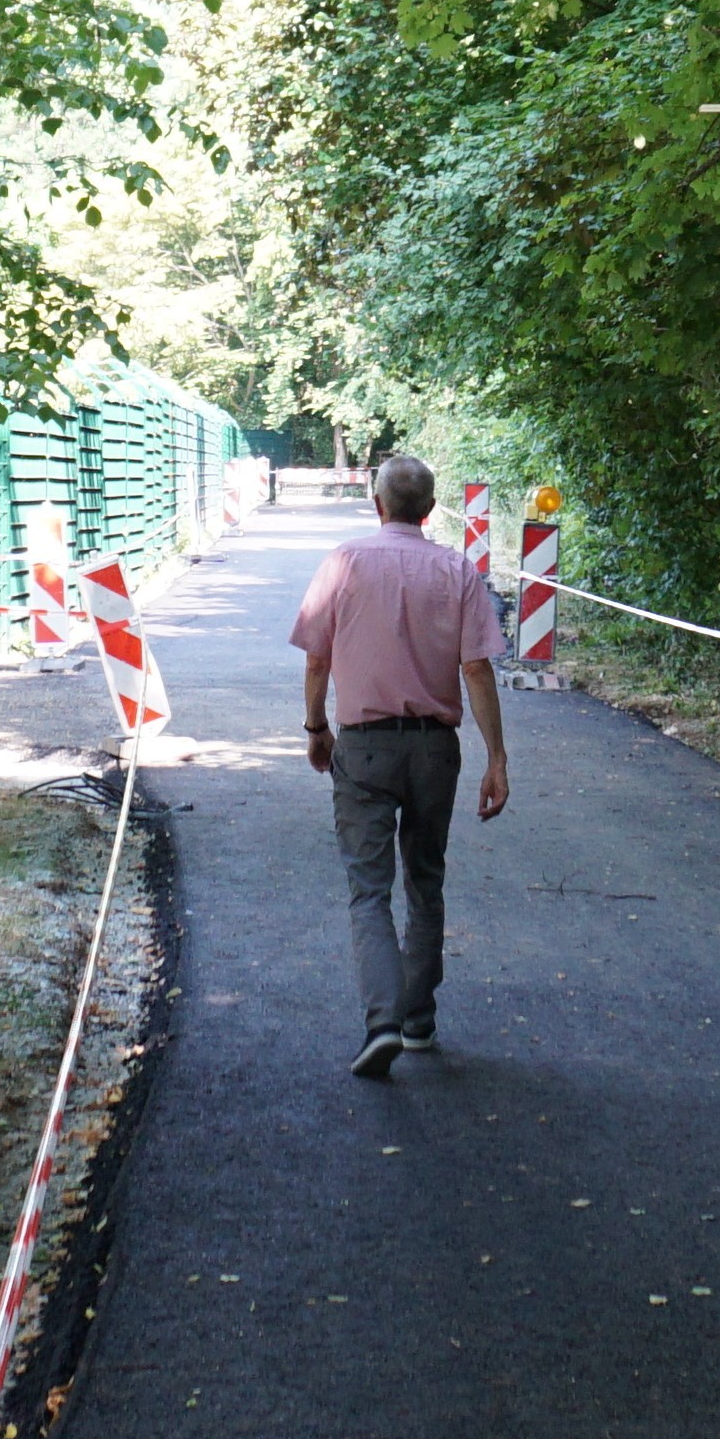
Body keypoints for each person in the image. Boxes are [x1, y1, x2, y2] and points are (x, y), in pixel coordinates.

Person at [291, 453, 509, 1077]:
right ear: (430, 510)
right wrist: (497, 759)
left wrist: (316, 727)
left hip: (363, 745)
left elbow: (315, 659)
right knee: (426, 880)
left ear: (376, 504)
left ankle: (381, 1021)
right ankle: (418, 1019)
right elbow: (476, 668)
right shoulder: (458, 570)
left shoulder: (344, 563)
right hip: (435, 751)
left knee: (368, 889)